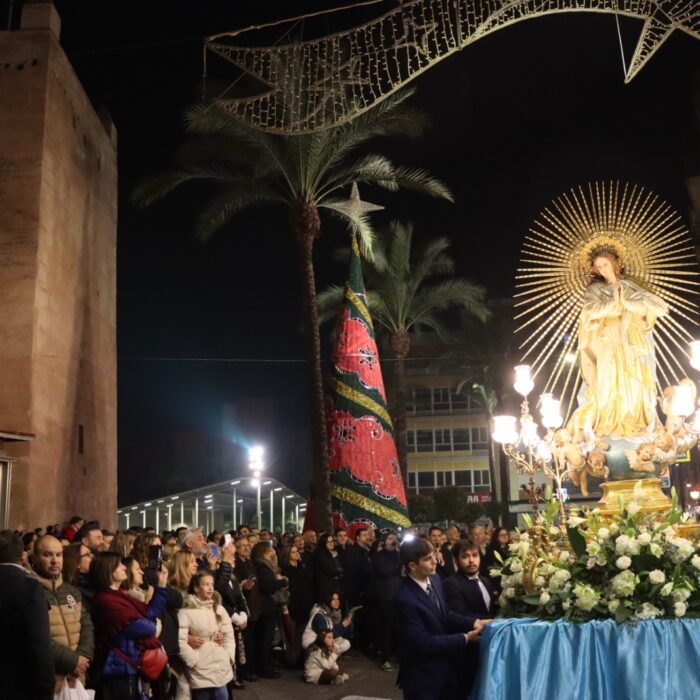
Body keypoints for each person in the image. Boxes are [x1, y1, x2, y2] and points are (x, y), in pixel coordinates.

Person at [570, 246, 668, 437]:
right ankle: (609, 421)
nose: (602, 270)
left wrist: (627, 303)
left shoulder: (630, 286)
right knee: (608, 380)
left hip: (631, 341)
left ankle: (636, 420)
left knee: (634, 380)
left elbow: (655, 308)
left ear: (615, 264)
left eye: (605, 265)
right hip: (607, 343)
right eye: (598, 267)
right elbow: (588, 313)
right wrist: (613, 304)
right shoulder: (594, 289)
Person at [394, 537, 491, 700]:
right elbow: (423, 642)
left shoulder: (434, 579)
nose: (435, 562)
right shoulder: (404, 599)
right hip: (423, 678)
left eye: (434, 555)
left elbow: (445, 614)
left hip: (448, 670)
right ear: (412, 566)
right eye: (427, 559)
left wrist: (475, 622)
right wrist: (465, 638)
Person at [90, 551, 170, 700]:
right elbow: (148, 627)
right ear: (108, 569)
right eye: (119, 564)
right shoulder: (106, 601)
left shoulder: (121, 596)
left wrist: (161, 585)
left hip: (132, 665)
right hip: (119, 670)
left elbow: (150, 612)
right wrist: (153, 624)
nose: (123, 567)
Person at [32, 535, 95, 695]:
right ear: (35, 558)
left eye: (58, 554)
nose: (55, 560)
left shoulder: (71, 591)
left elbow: (87, 627)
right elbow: (36, 637)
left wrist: (82, 658)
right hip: (48, 682)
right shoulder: (30, 591)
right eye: (47, 555)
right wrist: (71, 661)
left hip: (76, 678)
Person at [0, 530, 55, 700]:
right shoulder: (29, 588)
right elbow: (40, 647)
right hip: (19, 687)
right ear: (23, 556)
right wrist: (45, 690)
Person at [444, 540, 498, 697]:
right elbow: (460, 614)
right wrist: (495, 621)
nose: (471, 561)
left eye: (475, 555)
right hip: (467, 651)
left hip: (489, 647)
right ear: (456, 560)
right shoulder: (451, 584)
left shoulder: (486, 581)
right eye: (465, 557)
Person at [178, 572, 235, 700]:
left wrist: (228, 656)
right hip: (200, 671)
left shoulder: (219, 609)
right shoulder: (186, 612)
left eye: (212, 584)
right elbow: (180, 640)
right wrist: (193, 660)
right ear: (196, 588)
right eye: (206, 584)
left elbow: (229, 635)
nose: (210, 588)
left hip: (220, 667)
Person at [250, 541, 287, 678]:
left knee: (266, 638)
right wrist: (283, 582)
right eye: (271, 550)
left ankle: (265, 665)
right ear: (265, 551)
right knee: (265, 639)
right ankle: (265, 668)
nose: (274, 552)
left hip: (266, 608)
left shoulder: (264, 566)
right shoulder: (262, 566)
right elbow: (268, 586)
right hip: (266, 609)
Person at [371, 530, 402, 671]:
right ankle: (385, 658)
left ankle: (399, 655)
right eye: (390, 539)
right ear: (384, 541)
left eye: (394, 539)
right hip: (385, 596)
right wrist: (399, 560)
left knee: (399, 627)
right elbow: (384, 570)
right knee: (387, 628)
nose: (393, 541)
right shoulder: (379, 556)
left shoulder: (398, 554)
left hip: (399, 595)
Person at [279, 542, 314, 665]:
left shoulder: (301, 566)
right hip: (292, 605)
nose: (297, 553)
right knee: (290, 634)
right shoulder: (284, 570)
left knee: (301, 634)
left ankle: (299, 658)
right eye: (293, 552)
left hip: (304, 604)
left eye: (296, 551)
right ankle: (290, 659)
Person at [314, 531, 343, 601]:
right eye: (328, 542)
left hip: (336, 585)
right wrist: (341, 571)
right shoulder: (321, 554)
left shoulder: (336, 552)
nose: (331, 543)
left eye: (332, 541)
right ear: (324, 543)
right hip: (326, 588)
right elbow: (330, 570)